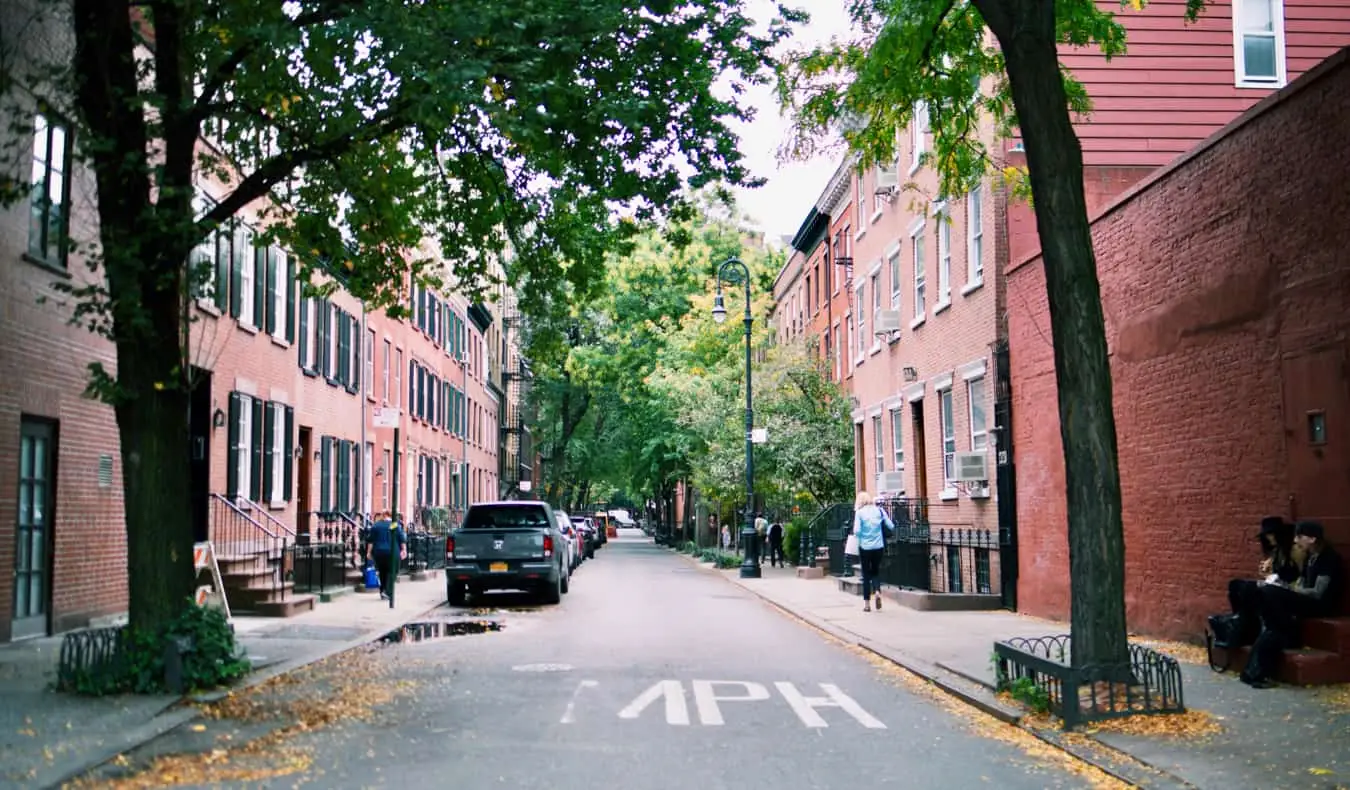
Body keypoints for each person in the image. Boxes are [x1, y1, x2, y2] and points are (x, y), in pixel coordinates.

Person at [1240, 521, 1343, 688]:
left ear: (1312, 539)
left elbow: (1318, 593)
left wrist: (1290, 590)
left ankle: (1254, 672)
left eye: (1299, 536)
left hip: (1320, 606)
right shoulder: (1310, 557)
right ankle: (1253, 672)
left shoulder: (1328, 558)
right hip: (1302, 602)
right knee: (1266, 603)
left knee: (1272, 601)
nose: (1295, 540)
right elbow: (1301, 583)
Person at [1224, 516, 1303, 647]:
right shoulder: (1276, 552)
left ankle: (1246, 624)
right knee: (1235, 585)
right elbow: (1273, 574)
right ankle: (1240, 619)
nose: (1269, 538)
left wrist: (1276, 575)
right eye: (1266, 535)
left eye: (1271, 534)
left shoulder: (1294, 551)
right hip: (1275, 586)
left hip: (1289, 590)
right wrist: (1268, 573)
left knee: (1249, 589)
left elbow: (1300, 574)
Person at [852, 491, 894, 612]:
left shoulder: (859, 513)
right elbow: (891, 526)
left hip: (865, 548)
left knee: (866, 575)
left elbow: (857, 531)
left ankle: (867, 604)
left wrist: (860, 536)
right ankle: (877, 592)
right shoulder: (879, 510)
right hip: (878, 547)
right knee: (875, 571)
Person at [364, 510, 407, 601]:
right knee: (392, 571)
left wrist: (369, 552)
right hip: (392, 552)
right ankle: (387, 591)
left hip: (379, 552)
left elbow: (371, 541)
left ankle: (382, 590)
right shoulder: (394, 525)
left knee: (382, 572)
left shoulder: (376, 525)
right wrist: (404, 550)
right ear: (390, 516)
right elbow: (401, 538)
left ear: (383, 516)